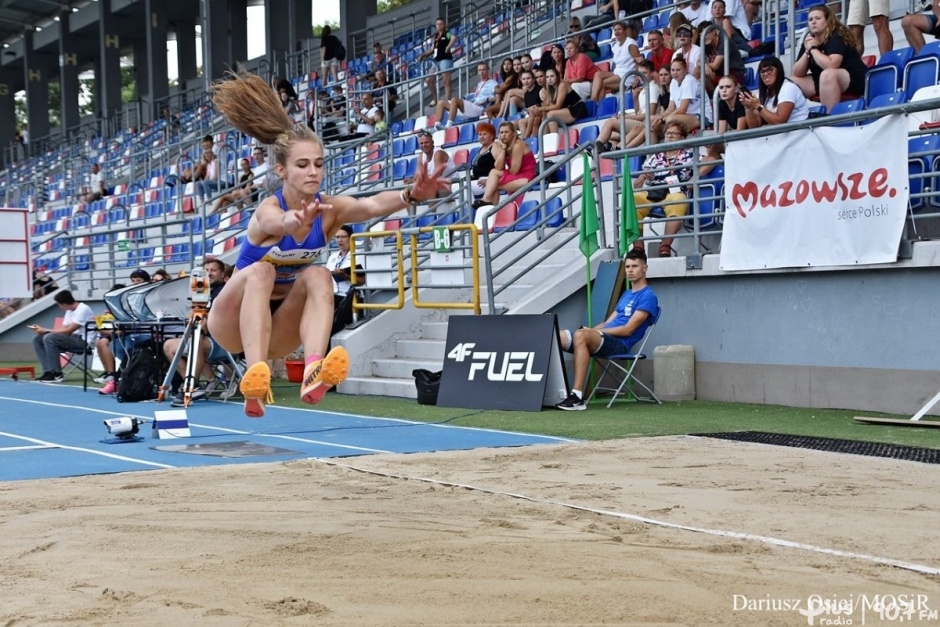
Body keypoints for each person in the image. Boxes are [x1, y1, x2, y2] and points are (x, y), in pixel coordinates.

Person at [207, 71, 449, 418]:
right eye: (302, 165)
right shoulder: (269, 209)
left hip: (279, 331)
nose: (313, 172)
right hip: (232, 323)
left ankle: (313, 371)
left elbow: (371, 206)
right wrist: (294, 223)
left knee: (320, 275)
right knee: (261, 272)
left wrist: (411, 194)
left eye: (319, 164)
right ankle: (255, 377)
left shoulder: (330, 209)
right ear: (281, 171)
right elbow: (276, 222)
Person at [555, 249, 658, 410]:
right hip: (603, 338)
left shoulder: (648, 296)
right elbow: (607, 323)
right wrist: (592, 330)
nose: (630, 270)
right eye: (628, 266)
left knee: (582, 336)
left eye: (635, 266)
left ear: (645, 268)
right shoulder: (626, 295)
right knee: (554, 336)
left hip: (619, 343)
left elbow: (628, 330)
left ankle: (577, 397)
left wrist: (594, 333)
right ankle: (549, 392)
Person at [163, 258, 229, 406]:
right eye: (206, 271)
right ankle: (196, 383)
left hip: (224, 342)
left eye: (213, 270)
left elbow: (213, 317)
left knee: (195, 341)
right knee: (168, 346)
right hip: (204, 339)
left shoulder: (226, 291)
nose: (209, 274)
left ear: (222, 273)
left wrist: (201, 330)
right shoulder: (202, 292)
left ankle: (189, 388)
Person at [631, 121, 694, 257]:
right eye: (667, 133)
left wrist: (694, 179)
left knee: (678, 200)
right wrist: (642, 178)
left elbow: (709, 160)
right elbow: (637, 185)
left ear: (682, 137)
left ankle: (665, 246)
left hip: (675, 192)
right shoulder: (655, 157)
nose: (670, 136)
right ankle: (638, 247)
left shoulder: (690, 155)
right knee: (632, 200)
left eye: (674, 133)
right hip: (654, 192)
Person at [790, 5, 867, 113]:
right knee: (790, 82)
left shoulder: (836, 37)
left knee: (828, 74)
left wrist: (813, 49)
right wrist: (807, 50)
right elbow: (797, 73)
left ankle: (829, 117)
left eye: (818, 18)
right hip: (823, 79)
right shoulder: (810, 40)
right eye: (810, 19)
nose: (813, 22)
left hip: (854, 78)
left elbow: (832, 65)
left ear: (828, 21)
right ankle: (795, 119)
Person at [30, 290, 96, 382]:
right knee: (37, 339)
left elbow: (69, 330)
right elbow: (63, 331)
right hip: (72, 338)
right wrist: (43, 332)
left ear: (64, 304)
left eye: (59, 305)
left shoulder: (83, 309)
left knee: (49, 337)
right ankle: (48, 371)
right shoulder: (69, 311)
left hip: (84, 341)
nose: (59, 307)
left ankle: (56, 373)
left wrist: (45, 330)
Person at [595, 60, 661, 151]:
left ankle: (596, 147)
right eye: (639, 73)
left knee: (610, 123)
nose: (641, 76)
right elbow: (639, 112)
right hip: (642, 121)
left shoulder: (653, 88)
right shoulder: (643, 89)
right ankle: (610, 150)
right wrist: (635, 98)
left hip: (646, 123)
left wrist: (627, 117)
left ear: (652, 73)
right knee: (611, 135)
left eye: (644, 73)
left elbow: (649, 114)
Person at [476, 121, 537, 207]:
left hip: (527, 176)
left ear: (513, 134)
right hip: (516, 174)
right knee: (493, 172)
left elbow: (514, 171)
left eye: (506, 132)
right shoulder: (504, 145)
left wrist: (492, 182)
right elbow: (498, 166)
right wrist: (503, 149)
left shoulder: (517, 145)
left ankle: (491, 208)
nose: (503, 135)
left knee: (493, 185)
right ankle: (486, 200)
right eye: (501, 132)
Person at [742, 56, 810, 126]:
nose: (765, 74)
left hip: (801, 131)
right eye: (762, 72)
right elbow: (755, 126)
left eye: (769, 70)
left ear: (778, 71)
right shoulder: (762, 94)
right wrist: (748, 107)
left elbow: (780, 122)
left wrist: (759, 107)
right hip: (784, 134)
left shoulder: (788, 88)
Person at [433, 62, 497, 129]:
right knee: (441, 102)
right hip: (472, 107)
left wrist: (487, 99)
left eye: (484, 70)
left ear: (488, 70)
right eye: (479, 70)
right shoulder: (480, 84)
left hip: (479, 108)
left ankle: (448, 127)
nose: (481, 72)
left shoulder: (492, 83)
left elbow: (498, 97)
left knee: (454, 100)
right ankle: (436, 127)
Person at [590, 21, 642, 103]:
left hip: (628, 74)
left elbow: (638, 62)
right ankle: (596, 102)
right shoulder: (615, 46)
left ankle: (595, 103)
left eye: (619, 29)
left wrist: (637, 79)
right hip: (617, 73)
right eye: (615, 30)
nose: (617, 31)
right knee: (598, 74)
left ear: (625, 30)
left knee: (602, 84)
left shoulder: (631, 44)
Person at [693, 21, 746, 94]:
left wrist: (705, 65)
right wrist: (704, 65)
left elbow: (715, 66)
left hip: (734, 75)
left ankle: (715, 96)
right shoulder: (706, 44)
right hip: (719, 74)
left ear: (714, 31)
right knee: (699, 71)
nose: (704, 37)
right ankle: (696, 96)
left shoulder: (724, 41)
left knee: (702, 73)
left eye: (706, 33)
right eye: (701, 35)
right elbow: (698, 62)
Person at [541, 67, 590, 132]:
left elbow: (557, 106)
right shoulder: (550, 89)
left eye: (552, 76)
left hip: (577, 108)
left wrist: (541, 108)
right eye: (547, 77)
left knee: (550, 114)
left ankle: (554, 140)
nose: (549, 79)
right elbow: (551, 106)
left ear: (557, 76)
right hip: (567, 110)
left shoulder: (562, 84)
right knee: (544, 115)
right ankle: (545, 140)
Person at [420, 18, 455, 106]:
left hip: (445, 59)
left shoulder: (447, 33)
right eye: (437, 24)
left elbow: (454, 38)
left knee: (446, 82)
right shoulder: (436, 36)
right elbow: (432, 49)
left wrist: (448, 47)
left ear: (444, 25)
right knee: (428, 80)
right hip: (436, 60)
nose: (439, 26)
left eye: (441, 24)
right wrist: (424, 54)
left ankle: (448, 101)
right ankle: (435, 99)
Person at [563, 37, 599, 102]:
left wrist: (565, 81)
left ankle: (579, 108)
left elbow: (580, 78)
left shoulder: (582, 57)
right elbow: (567, 79)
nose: (568, 50)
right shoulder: (568, 62)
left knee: (575, 86)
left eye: (571, 48)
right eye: (567, 49)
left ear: (577, 50)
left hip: (593, 84)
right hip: (580, 84)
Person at [470, 122, 498, 197]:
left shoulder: (494, 146)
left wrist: (490, 180)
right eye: (480, 134)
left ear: (492, 136)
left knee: (458, 187)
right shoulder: (481, 148)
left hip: (487, 180)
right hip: (477, 180)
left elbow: (500, 166)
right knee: (457, 185)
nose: (482, 137)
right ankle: (468, 207)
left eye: (485, 134)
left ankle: (467, 208)